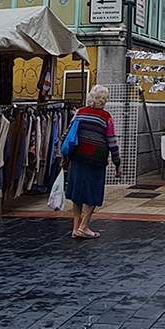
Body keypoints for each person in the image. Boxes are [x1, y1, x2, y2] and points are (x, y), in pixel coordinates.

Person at [60, 84, 121, 239]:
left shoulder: (79, 113)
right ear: (93, 99)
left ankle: (76, 228)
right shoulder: (106, 117)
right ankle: (83, 227)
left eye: (104, 99)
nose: (102, 101)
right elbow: (112, 141)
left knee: (77, 194)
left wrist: (64, 155)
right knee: (93, 193)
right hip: (96, 160)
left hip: (78, 158)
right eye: (100, 98)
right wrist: (117, 162)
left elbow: (68, 133)